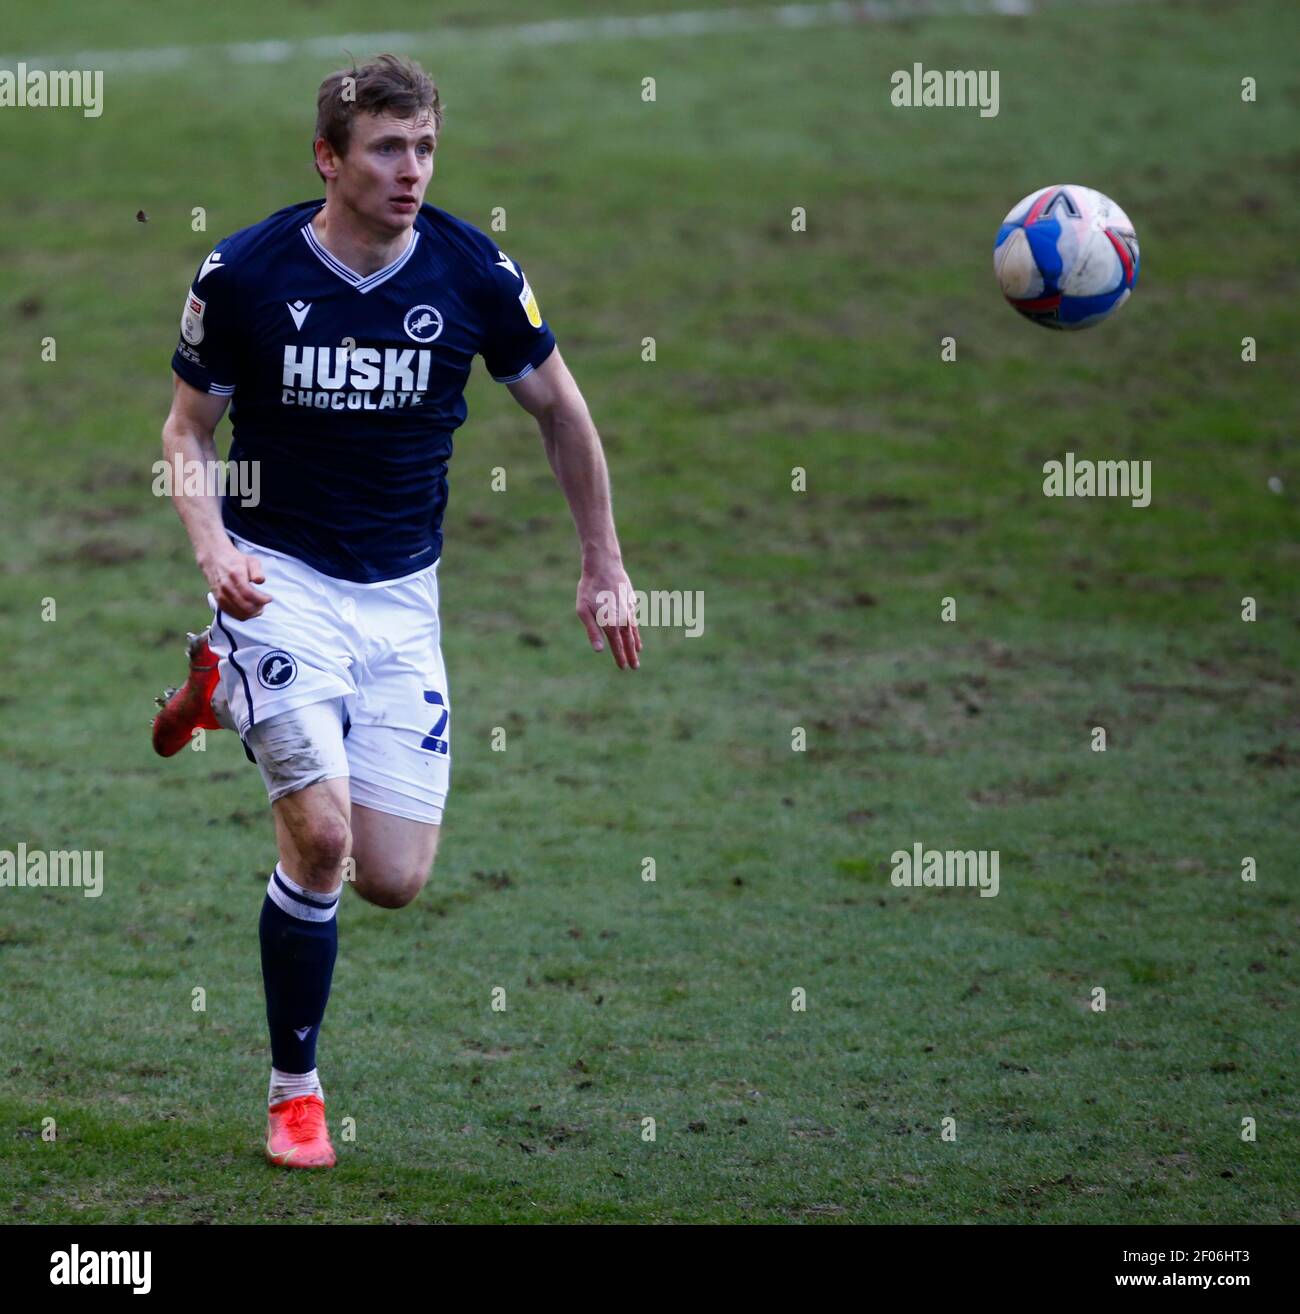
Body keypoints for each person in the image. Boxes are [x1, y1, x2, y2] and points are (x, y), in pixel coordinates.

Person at [152, 53, 640, 1169]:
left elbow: (561, 412)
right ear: (329, 158)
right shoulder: (246, 274)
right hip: (275, 580)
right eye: (384, 147)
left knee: (392, 878)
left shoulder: (472, 274)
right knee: (319, 843)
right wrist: (213, 544)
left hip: (401, 604)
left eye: (422, 146)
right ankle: (294, 1093)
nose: (409, 169)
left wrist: (602, 561)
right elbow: (187, 434)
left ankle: (214, 687)